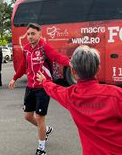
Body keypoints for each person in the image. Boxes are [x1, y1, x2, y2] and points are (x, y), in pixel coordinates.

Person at [37, 45, 122, 155]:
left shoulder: (70, 96)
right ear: (98, 68)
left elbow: (55, 90)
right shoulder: (116, 95)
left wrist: (44, 82)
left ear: (72, 70)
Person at [8, 23, 70, 155]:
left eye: (33, 34)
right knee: (27, 116)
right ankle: (46, 130)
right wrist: (15, 78)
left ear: (39, 34)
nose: (30, 36)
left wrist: (70, 63)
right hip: (30, 87)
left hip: (43, 87)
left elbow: (56, 57)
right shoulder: (26, 49)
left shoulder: (44, 47)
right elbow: (23, 66)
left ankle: (41, 149)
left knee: (40, 117)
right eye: (28, 34)